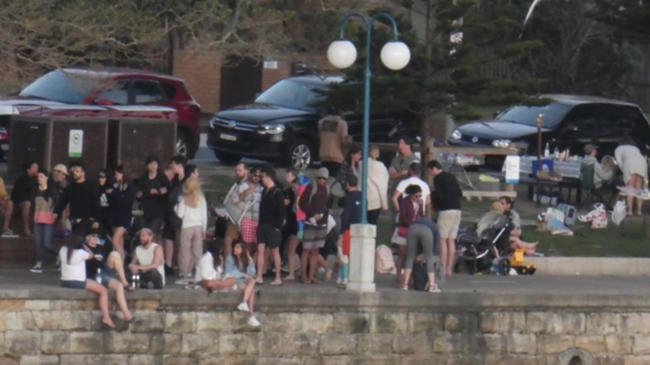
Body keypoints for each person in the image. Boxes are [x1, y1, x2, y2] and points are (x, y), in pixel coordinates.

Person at [60, 234, 133, 329]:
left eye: (96, 236)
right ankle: (106, 317)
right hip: (83, 279)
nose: (95, 238)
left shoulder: (63, 250)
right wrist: (85, 245)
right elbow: (90, 255)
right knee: (103, 291)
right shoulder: (81, 252)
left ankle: (126, 314)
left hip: (65, 281)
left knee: (118, 285)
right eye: (91, 236)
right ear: (85, 239)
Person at [427, 160, 462, 277]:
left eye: (429, 171)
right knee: (451, 240)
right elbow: (459, 192)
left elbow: (439, 195)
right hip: (457, 209)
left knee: (442, 240)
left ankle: (442, 268)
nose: (430, 174)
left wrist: (434, 199)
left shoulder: (438, 179)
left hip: (446, 210)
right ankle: (449, 269)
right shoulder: (451, 176)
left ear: (433, 169)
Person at [298, 167, 331, 284]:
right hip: (310, 222)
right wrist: (312, 215)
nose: (322, 180)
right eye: (320, 177)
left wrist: (323, 217)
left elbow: (327, 206)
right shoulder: (311, 187)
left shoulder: (327, 189)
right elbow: (302, 203)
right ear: (317, 178)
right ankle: (303, 275)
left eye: (324, 178)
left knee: (316, 251)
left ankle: (311, 275)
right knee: (306, 249)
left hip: (322, 224)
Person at [174, 173, 207, 285]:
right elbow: (204, 215)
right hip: (198, 226)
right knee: (198, 251)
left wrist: (176, 207)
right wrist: (204, 229)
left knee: (185, 251)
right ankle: (199, 273)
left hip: (187, 227)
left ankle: (185, 275)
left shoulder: (184, 200)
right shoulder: (201, 199)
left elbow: (180, 214)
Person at [256, 165, 285, 286]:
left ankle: (278, 277)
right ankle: (259, 276)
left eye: (263, 176)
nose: (261, 179)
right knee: (260, 250)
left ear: (268, 177)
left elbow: (282, 212)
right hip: (262, 224)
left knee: (275, 251)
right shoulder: (264, 191)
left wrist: (277, 226)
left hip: (272, 226)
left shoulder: (277, 192)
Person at [55, 162, 100, 239]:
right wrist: (56, 212)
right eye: (74, 171)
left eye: (77, 171)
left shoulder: (91, 187)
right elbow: (63, 201)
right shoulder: (71, 187)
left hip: (86, 220)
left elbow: (96, 204)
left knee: (77, 240)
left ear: (83, 173)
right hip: (73, 220)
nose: (74, 173)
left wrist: (97, 220)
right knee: (73, 242)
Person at [225, 241, 260, 327]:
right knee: (252, 291)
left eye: (238, 247)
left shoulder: (246, 259)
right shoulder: (230, 258)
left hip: (243, 280)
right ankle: (251, 316)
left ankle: (244, 303)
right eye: (235, 247)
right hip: (233, 280)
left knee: (252, 281)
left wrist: (250, 260)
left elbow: (252, 274)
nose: (235, 249)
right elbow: (231, 272)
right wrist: (245, 275)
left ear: (243, 249)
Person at [395, 184, 425, 284]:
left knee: (411, 254)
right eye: (416, 196)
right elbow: (403, 216)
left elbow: (421, 215)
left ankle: (410, 277)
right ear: (411, 194)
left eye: (420, 196)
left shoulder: (420, 202)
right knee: (402, 254)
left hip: (415, 229)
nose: (418, 198)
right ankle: (398, 274)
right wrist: (411, 224)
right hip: (405, 229)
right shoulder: (404, 202)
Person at [30, 169, 59, 273]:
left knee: (47, 243)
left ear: (47, 177)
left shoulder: (52, 190)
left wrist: (56, 214)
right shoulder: (34, 190)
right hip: (37, 218)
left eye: (41, 176)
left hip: (48, 219)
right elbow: (32, 205)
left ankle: (58, 254)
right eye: (38, 177)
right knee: (38, 243)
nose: (39, 179)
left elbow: (58, 204)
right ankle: (39, 263)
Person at [402, 217, 441, 293]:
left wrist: (420, 255)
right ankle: (432, 286)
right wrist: (424, 256)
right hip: (426, 231)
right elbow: (435, 252)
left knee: (410, 257)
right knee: (429, 258)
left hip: (412, 228)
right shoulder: (435, 228)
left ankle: (405, 285)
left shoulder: (421, 221)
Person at [163, 155, 186, 275]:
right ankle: (168, 264)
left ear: (179, 165)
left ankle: (179, 265)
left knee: (180, 241)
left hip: (180, 214)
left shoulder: (185, 180)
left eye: (173, 164)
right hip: (171, 213)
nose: (172, 167)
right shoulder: (176, 179)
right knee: (168, 237)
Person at [137, 156, 170, 241]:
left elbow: (167, 190)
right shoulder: (143, 178)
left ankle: (156, 252)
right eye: (151, 164)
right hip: (146, 211)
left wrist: (158, 191)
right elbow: (139, 192)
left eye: (155, 164)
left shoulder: (162, 177)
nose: (153, 166)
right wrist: (140, 194)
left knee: (152, 234)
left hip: (158, 211)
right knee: (146, 234)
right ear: (147, 166)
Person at [337, 175, 362, 286]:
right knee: (354, 254)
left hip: (348, 229)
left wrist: (341, 231)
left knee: (344, 254)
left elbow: (346, 215)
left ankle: (344, 278)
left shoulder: (349, 198)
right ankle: (351, 276)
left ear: (347, 185)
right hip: (359, 229)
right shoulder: (362, 196)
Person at [108, 166, 136, 258]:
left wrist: (115, 193)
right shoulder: (115, 185)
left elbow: (127, 201)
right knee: (120, 241)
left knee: (115, 240)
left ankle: (122, 260)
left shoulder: (129, 187)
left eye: (117, 174)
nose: (115, 176)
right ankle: (120, 261)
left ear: (122, 174)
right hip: (115, 217)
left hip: (124, 217)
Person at [614, 139, 648, 216]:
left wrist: (623, 171)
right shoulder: (635, 148)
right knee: (639, 189)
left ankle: (630, 211)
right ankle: (639, 211)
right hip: (642, 164)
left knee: (630, 189)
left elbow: (619, 162)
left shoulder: (618, 149)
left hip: (629, 165)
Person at [222, 162, 250, 255]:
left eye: (240, 170)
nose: (237, 173)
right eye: (236, 171)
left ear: (246, 171)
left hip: (245, 218)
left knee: (245, 244)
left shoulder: (249, 185)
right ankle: (229, 264)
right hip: (233, 218)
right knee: (228, 240)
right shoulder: (237, 184)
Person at [361, 145, 389, 225]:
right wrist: (384, 204)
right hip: (375, 200)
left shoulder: (361, 164)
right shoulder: (380, 166)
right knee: (372, 224)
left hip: (362, 197)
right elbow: (382, 185)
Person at [318, 109, 348, 178]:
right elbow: (344, 140)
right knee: (333, 178)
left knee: (324, 177)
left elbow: (319, 136)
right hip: (337, 156)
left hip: (323, 154)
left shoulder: (321, 122)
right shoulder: (342, 123)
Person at [282, 168, 300, 281]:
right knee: (290, 248)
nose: (286, 177)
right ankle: (291, 271)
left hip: (296, 224)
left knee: (291, 250)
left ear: (294, 176)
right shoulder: (294, 189)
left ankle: (291, 273)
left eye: (288, 175)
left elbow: (296, 208)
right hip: (296, 223)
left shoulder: (294, 188)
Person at [11, 161, 38, 237]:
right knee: (27, 203)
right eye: (34, 167)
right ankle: (26, 229)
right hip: (19, 203)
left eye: (37, 168)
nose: (36, 170)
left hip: (33, 204)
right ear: (28, 170)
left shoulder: (36, 180)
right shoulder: (22, 179)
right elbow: (17, 195)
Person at [239, 167, 263, 252]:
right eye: (255, 175)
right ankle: (247, 263)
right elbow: (237, 199)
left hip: (258, 220)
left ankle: (252, 264)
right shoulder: (244, 185)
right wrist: (247, 191)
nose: (257, 177)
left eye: (259, 176)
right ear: (251, 175)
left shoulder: (262, 188)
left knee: (257, 246)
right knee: (247, 245)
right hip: (247, 218)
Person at [51, 164, 71, 237]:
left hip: (64, 216)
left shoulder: (68, 187)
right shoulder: (50, 185)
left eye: (58, 172)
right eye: (55, 172)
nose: (55, 174)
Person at [96, 169, 112, 234]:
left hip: (109, 217)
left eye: (103, 178)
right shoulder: (96, 188)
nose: (101, 179)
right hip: (98, 216)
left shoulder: (111, 189)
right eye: (99, 177)